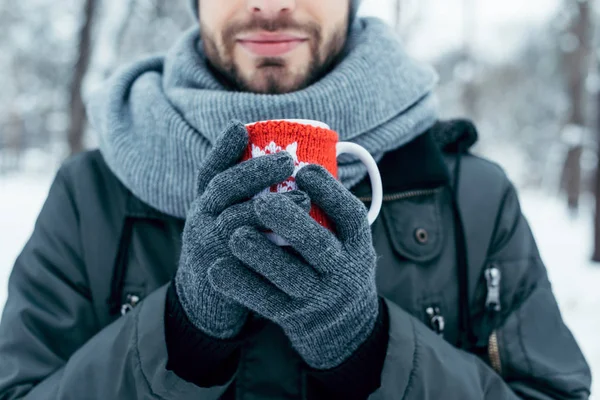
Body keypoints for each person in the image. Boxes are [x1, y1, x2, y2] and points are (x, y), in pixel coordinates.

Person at [0, 0, 592, 398]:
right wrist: (181, 335)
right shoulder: (90, 193)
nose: (270, 3)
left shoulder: (473, 198)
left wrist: (369, 350)